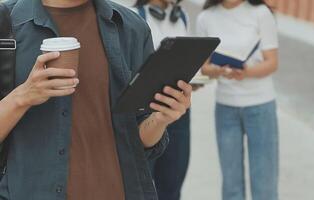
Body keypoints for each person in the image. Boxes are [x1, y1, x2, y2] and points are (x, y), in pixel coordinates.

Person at [0, 0, 193, 199]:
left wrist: (160, 119)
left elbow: (138, 141)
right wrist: (23, 96)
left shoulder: (131, 27)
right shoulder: (6, 24)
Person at [196, 0, 279, 200]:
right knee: (231, 183)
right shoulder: (206, 17)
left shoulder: (260, 13)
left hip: (260, 105)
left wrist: (246, 72)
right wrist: (217, 70)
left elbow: (272, 62)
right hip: (225, 106)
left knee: (264, 183)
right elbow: (204, 66)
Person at [133, 0, 192, 199]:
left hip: (178, 110)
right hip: (147, 109)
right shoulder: (134, 17)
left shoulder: (182, 16)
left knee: (173, 183)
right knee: (142, 181)